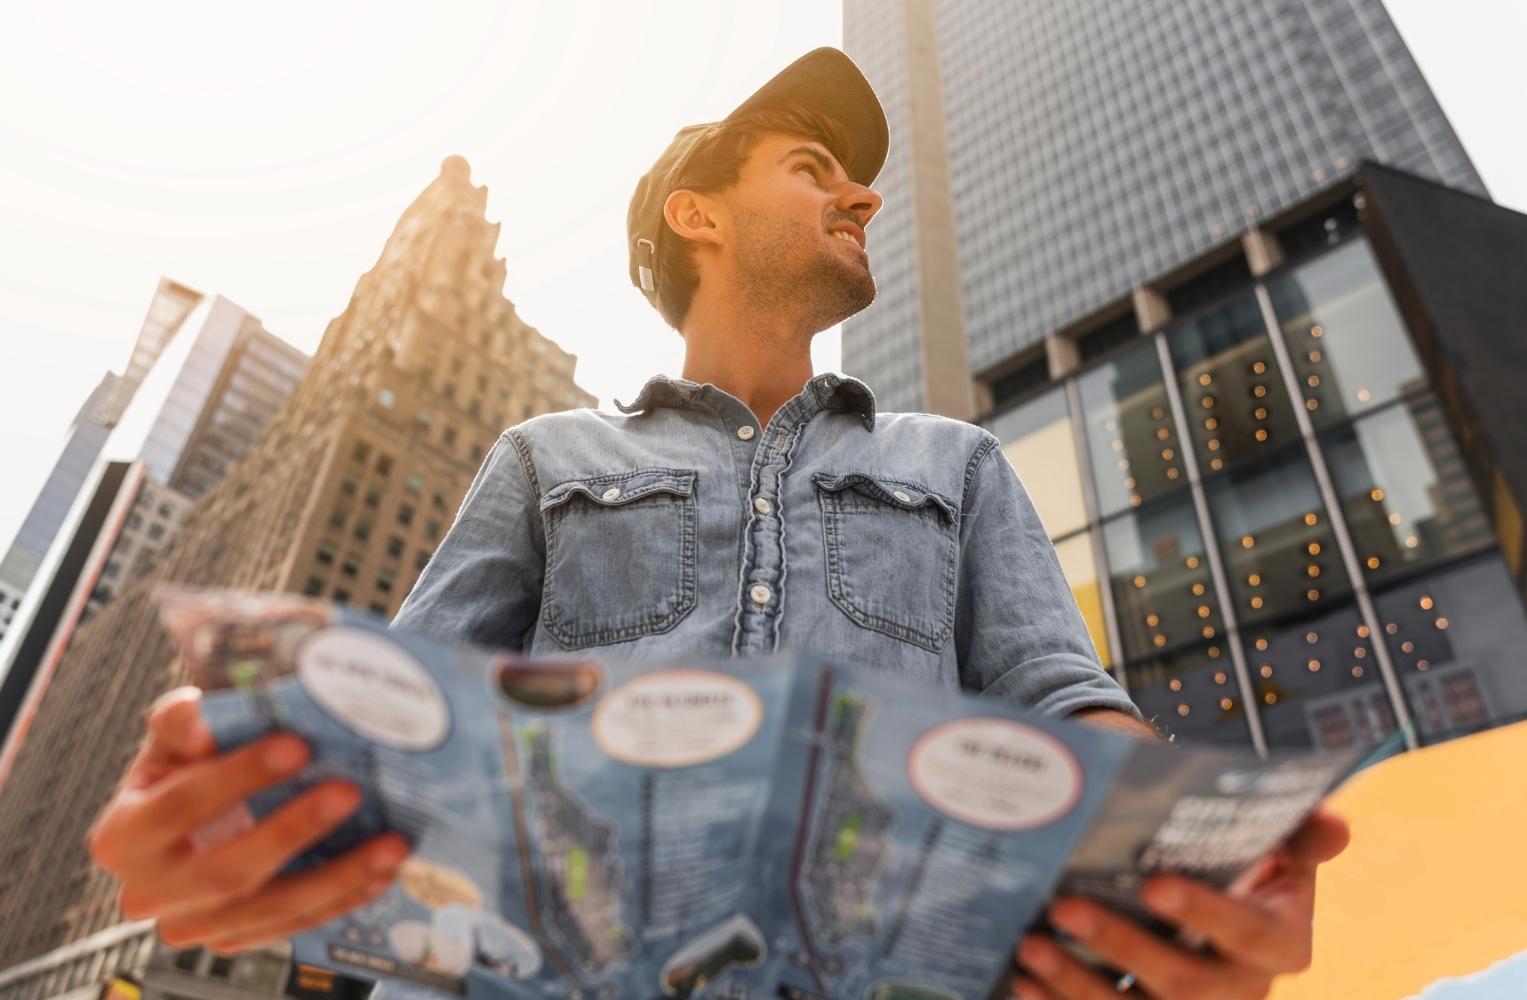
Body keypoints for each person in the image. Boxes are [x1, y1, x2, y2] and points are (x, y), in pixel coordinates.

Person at [89, 48, 1349, 999]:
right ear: (699, 215)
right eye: (814, 169)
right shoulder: (544, 457)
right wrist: (238, 797)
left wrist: (1192, 870)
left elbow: (1063, 698)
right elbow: (393, 720)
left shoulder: (955, 462)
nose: (859, 193)